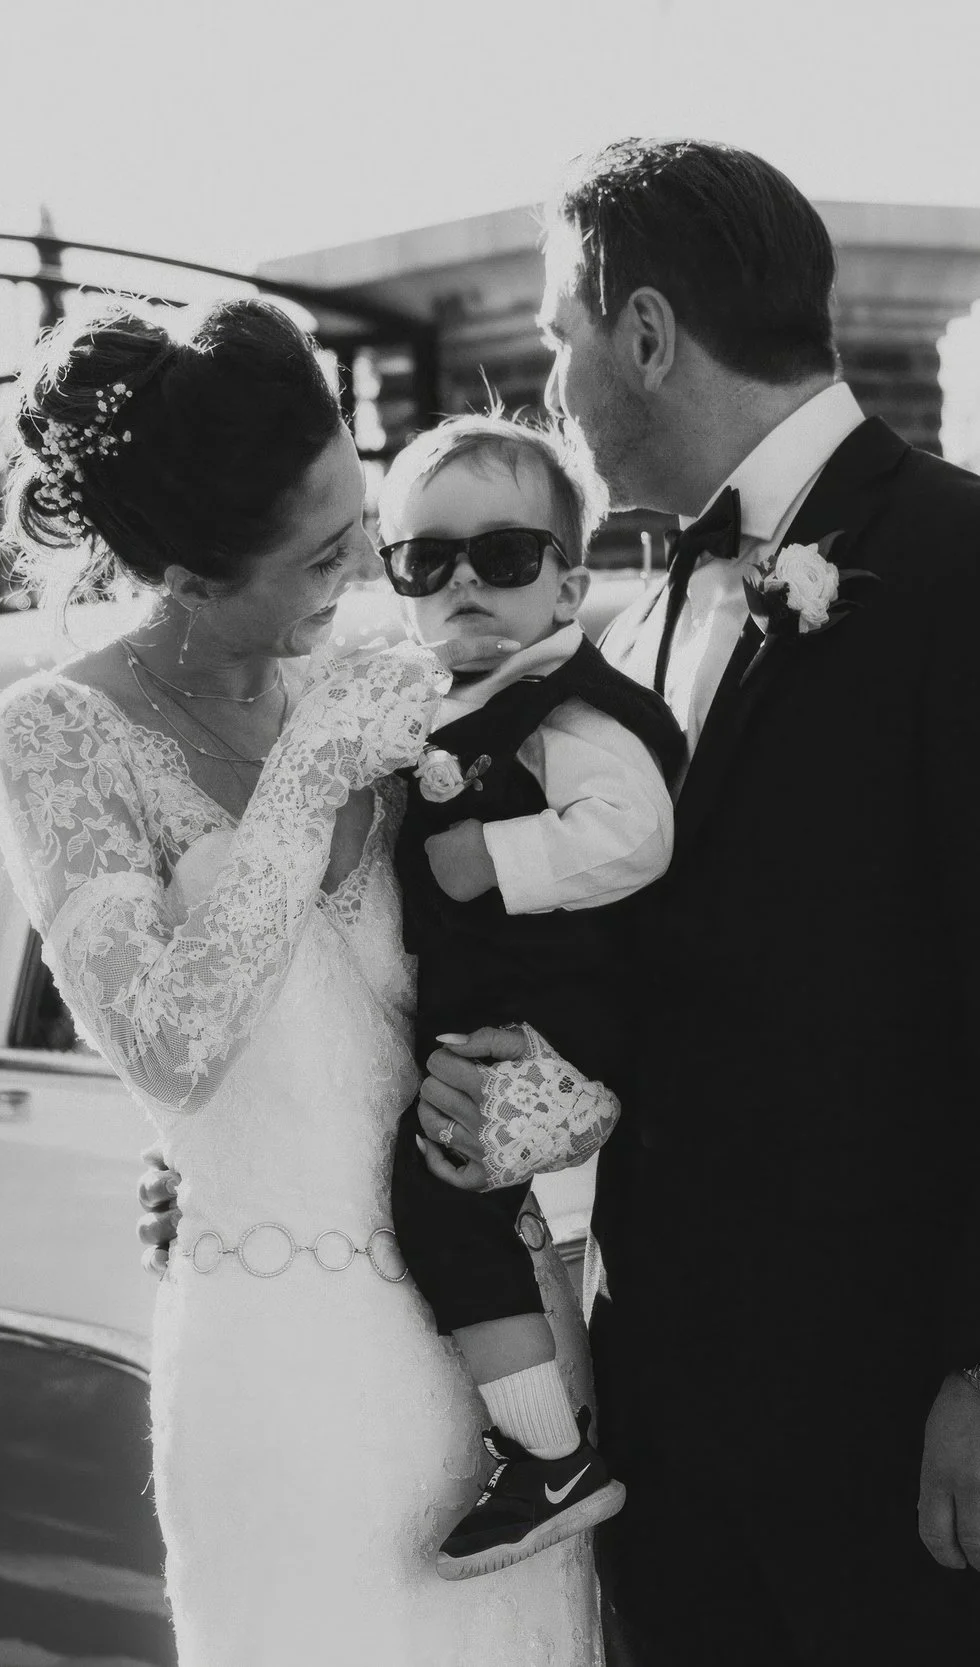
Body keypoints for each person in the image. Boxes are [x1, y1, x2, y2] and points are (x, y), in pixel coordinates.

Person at [408, 139, 980, 1662]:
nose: (552, 383)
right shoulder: (627, 619)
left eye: (562, 337)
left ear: (644, 332)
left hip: (905, 1430)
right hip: (679, 1434)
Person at [0, 297, 611, 1666]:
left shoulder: (399, 692)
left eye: (360, 536)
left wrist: (570, 1099)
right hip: (279, 1370)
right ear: (198, 573)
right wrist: (311, 772)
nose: (364, 585)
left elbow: (559, 953)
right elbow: (171, 1045)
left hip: (493, 1355)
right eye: (325, 555)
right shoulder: (58, 735)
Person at [374, 414, 685, 1578]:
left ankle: (548, 1454)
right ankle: (543, 1437)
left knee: (435, 1195)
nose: (464, 583)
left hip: (562, 1031)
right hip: (510, 1030)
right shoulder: (454, 704)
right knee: (451, 1198)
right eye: (426, 560)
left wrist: (490, 856)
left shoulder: (565, 707)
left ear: (568, 581)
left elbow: (637, 833)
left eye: (502, 557)